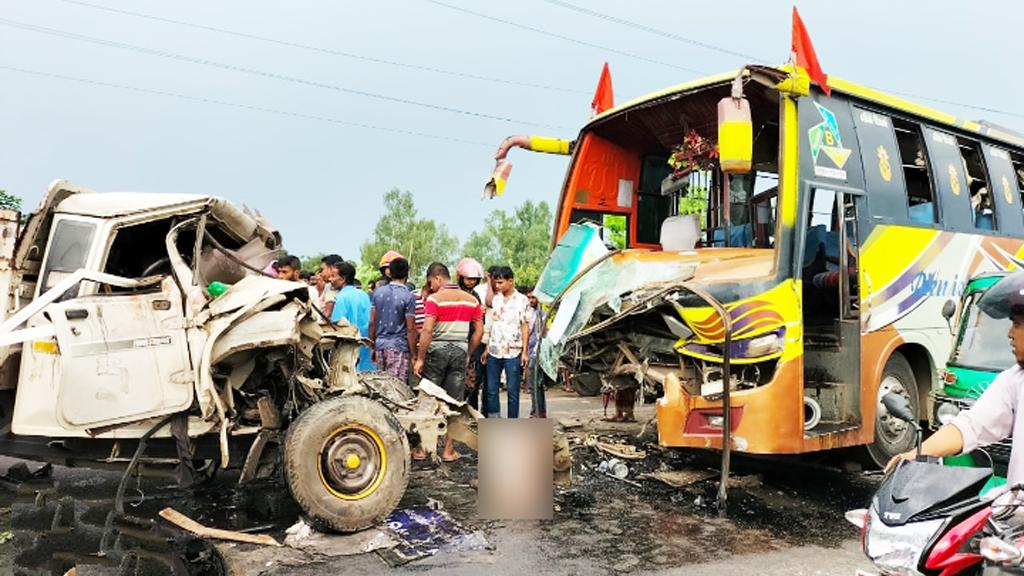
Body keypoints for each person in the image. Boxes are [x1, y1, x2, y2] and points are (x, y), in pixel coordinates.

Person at [886, 272, 1024, 487]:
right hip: (1015, 512)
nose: (1010, 334)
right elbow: (971, 426)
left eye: (1017, 324)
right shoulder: (1015, 380)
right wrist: (914, 455)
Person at [413, 262, 483, 461]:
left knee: (429, 399)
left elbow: (427, 330)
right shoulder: (471, 300)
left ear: (437, 278)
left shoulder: (434, 299)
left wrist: (420, 358)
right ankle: (448, 451)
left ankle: (422, 449)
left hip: (437, 351)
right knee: (454, 402)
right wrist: (468, 351)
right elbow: (479, 331)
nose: (431, 287)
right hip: (459, 351)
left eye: (431, 283)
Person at [483, 266, 530, 419]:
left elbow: (525, 326)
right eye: (496, 283)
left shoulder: (522, 300)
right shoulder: (496, 299)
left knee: (513, 391)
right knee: (491, 390)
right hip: (494, 350)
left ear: (510, 281)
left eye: (501, 282)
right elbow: (493, 324)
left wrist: (524, 352)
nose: (498, 286)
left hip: (513, 351)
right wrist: (487, 347)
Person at [370, 257, 417, 382]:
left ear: (389, 272)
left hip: (380, 345)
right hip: (399, 347)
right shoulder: (408, 296)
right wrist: (414, 354)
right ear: (407, 273)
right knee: (396, 388)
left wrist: (372, 346)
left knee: (382, 387)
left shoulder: (377, 293)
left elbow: (372, 322)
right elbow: (411, 328)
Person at [330, 261, 375, 372]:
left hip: (348, 349)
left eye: (333, 276)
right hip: (365, 346)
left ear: (343, 279)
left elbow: (337, 324)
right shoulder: (364, 294)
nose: (330, 279)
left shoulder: (340, 298)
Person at [456, 258, 486, 411]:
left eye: (474, 279)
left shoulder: (476, 296)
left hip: (473, 343)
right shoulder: (456, 294)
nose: (471, 282)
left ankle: (471, 412)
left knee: (473, 382)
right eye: (468, 279)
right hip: (457, 340)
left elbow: (480, 322)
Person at [525, 289, 548, 418]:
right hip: (529, 350)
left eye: (533, 298)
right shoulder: (527, 314)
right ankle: (539, 411)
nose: (531, 300)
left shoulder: (541, 314)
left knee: (535, 384)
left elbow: (544, 333)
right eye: (529, 298)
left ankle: (537, 411)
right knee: (535, 384)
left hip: (536, 351)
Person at [319, 254, 343, 320]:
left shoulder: (334, 287)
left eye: (323, 269)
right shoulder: (328, 286)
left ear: (332, 268)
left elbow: (327, 314)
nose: (321, 273)